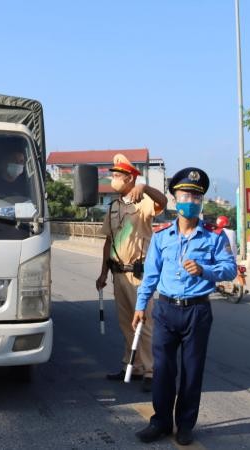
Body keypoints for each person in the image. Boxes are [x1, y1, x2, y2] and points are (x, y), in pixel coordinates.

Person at [132, 167, 237, 446]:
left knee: (192, 371)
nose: (190, 200)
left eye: (195, 196)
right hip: (165, 310)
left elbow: (229, 270)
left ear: (200, 201)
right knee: (164, 370)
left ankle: (186, 425)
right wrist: (141, 306)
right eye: (184, 195)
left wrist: (204, 270)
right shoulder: (161, 236)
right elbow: (151, 275)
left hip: (197, 312)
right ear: (175, 198)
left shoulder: (215, 237)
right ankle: (161, 422)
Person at [96, 153, 167, 392]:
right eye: (112, 175)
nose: (113, 179)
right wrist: (103, 273)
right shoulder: (113, 206)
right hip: (117, 273)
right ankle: (133, 366)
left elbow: (163, 202)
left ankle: (151, 370)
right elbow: (109, 241)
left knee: (143, 323)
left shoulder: (143, 201)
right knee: (126, 323)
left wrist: (144, 186)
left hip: (138, 274)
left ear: (129, 178)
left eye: (117, 175)